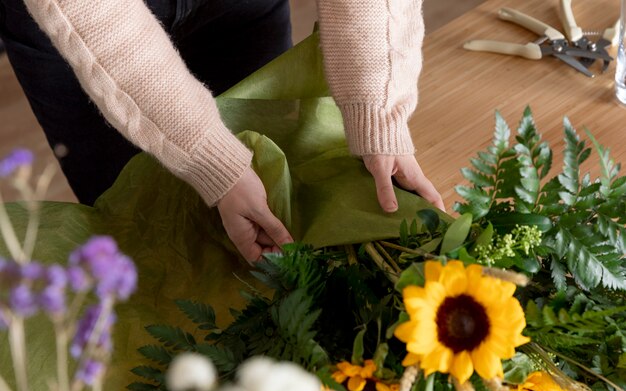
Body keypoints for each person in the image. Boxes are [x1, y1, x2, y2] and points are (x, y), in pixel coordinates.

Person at [0, 0, 444, 262]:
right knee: (145, 237)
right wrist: (211, 160)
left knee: (269, 219)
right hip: (83, 22)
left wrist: (378, 106)